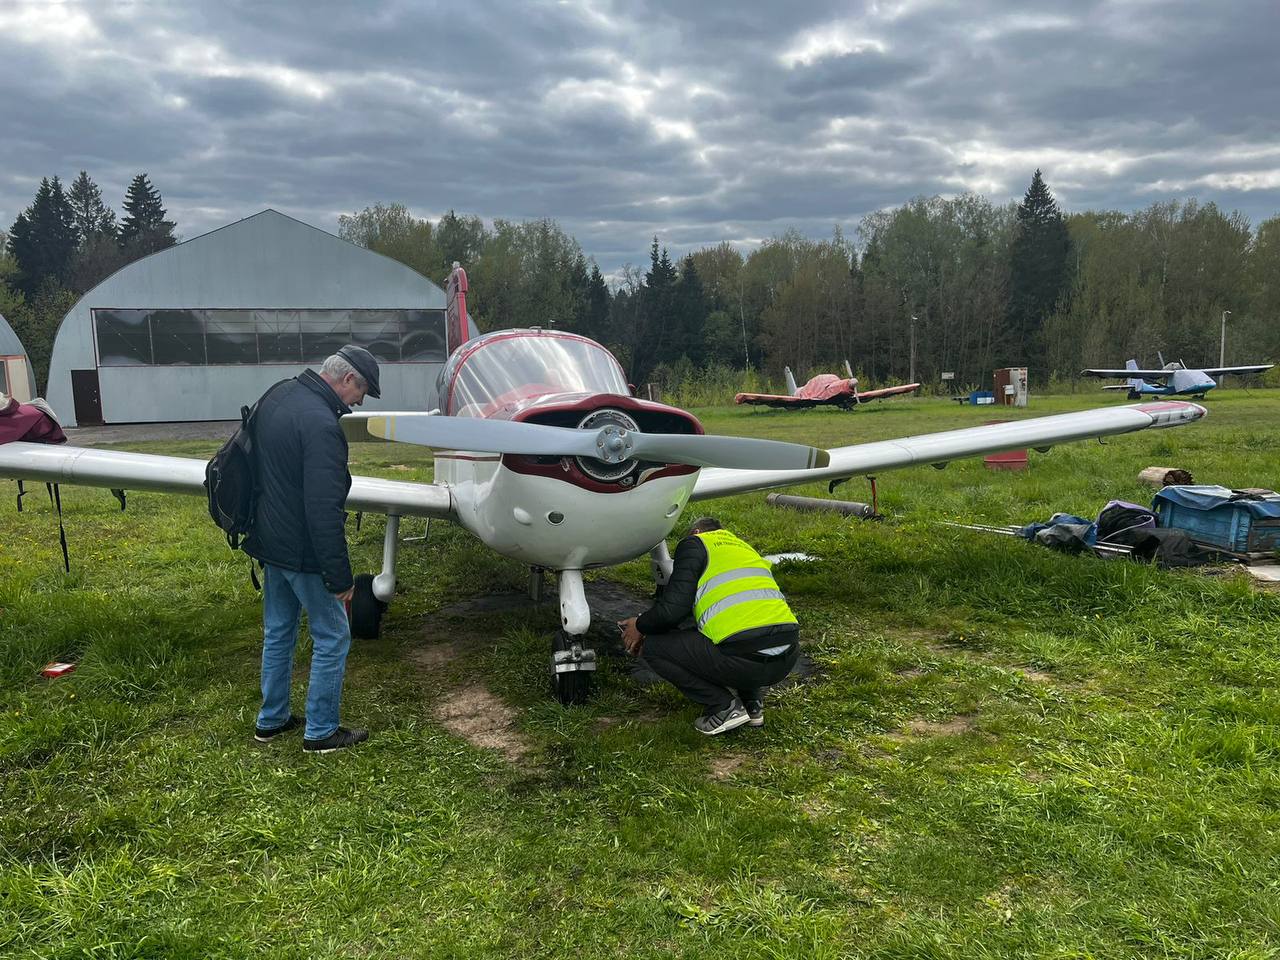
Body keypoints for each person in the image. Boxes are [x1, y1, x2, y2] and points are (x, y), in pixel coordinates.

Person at [242, 344, 381, 754]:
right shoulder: (323, 426)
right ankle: (321, 731)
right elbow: (323, 509)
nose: (358, 403)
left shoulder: (278, 395)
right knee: (333, 634)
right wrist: (340, 578)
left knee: (279, 631)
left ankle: (272, 719)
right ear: (348, 380)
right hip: (302, 550)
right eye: (362, 392)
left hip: (269, 541)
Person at [619, 517, 801, 735]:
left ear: (696, 532)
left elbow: (672, 611)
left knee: (656, 647)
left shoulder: (695, 543)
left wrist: (639, 625)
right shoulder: (743, 547)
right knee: (737, 630)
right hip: (786, 657)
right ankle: (753, 706)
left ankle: (723, 707)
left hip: (744, 660)